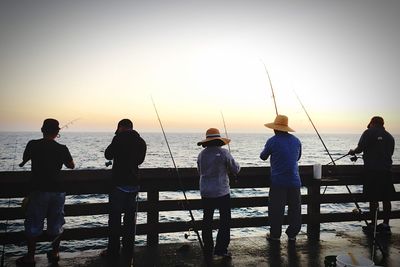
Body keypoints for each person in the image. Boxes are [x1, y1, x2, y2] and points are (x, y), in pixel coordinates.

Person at [16, 118, 75, 266]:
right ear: (57, 132)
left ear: (42, 130)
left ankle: (30, 257)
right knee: (56, 224)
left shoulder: (33, 144)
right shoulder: (62, 148)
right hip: (58, 191)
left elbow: (24, 159)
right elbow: (71, 166)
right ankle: (55, 253)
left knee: (34, 224)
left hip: (39, 190)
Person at [102, 119, 147, 258]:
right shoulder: (141, 141)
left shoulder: (118, 138)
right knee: (129, 219)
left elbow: (108, 155)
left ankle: (113, 250)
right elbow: (140, 161)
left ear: (121, 127)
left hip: (119, 185)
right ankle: (128, 248)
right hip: (133, 185)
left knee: (115, 219)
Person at [197, 128, 240, 260]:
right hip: (221, 191)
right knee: (225, 221)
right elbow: (235, 169)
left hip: (206, 191)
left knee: (207, 219)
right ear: (219, 140)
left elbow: (200, 171)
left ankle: (208, 248)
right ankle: (221, 249)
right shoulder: (224, 153)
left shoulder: (201, 155)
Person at [349, 116, 395, 234]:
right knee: (386, 199)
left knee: (373, 198)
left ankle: (373, 224)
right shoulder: (390, 137)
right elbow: (390, 153)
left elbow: (360, 149)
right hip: (386, 172)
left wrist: (353, 151)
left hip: (372, 171)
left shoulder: (368, 132)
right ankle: (385, 225)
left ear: (372, 123)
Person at [260, 115, 302, 242]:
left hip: (278, 182)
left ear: (274, 128)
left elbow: (263, 157)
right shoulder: (296, 140)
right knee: (295, 209)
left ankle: (275, 235)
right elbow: (298, 158)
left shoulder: (272, 141)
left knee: (276, 210)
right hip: (295, 181)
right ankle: (292, 234)